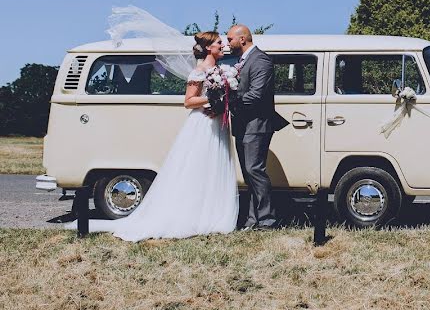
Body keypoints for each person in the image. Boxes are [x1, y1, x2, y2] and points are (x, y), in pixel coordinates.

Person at [66, 31, 238, 241]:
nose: (223, 46)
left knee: (215, 167)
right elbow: (188, 101)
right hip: (202, 124)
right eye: (219, 43)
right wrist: (211, 99)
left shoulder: (220, 71)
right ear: (209, 47)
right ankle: (194, 214)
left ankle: (213, 214)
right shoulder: (199, 71)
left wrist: (222, 102)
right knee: (198, 167)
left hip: (217, 123)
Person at [223, 24, 288, 230]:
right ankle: (253, 220)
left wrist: (228, 103)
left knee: (255, 170)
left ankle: (267, 220)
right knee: (248, 173)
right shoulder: (241, 61)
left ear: (243, 39)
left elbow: (256, 95)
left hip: (257, 125)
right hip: (243, 125)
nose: (228, 43)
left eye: (230, 39)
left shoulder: (261, 60)